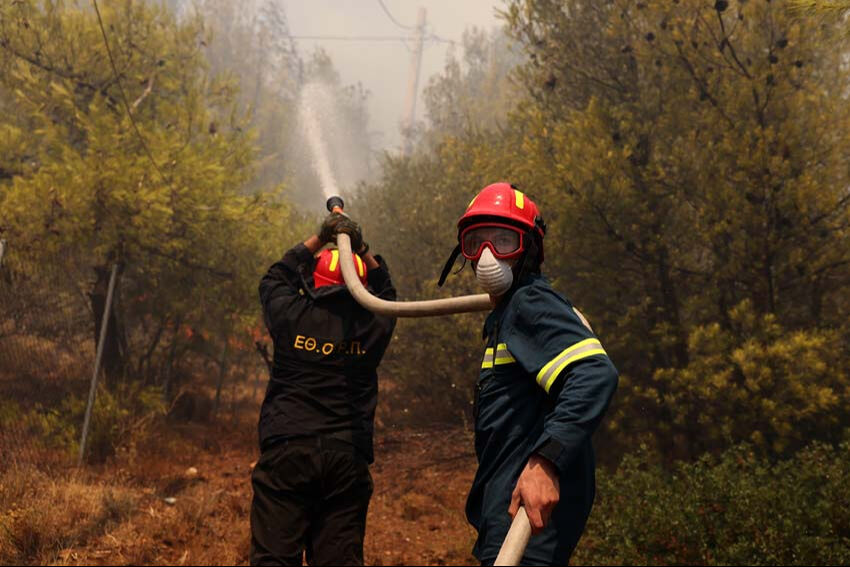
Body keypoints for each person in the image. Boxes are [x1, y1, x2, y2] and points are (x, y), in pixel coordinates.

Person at [438, 182, 619, 565]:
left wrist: (545, 462)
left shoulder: (529, 302)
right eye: (476, 243)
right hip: (507, 516)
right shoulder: (508, 315)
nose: (487, 256)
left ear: (530, 249)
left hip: (523, 523)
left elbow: (594, 373)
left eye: (503, 241)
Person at [251, 212, 397, 566]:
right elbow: (387, 291)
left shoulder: (291, 313)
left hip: (288, 452)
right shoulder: (373, 324)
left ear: (313, 282)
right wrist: (360, 247)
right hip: (345, 460)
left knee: (274, 559)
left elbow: (274, 278)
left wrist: (320, 238)